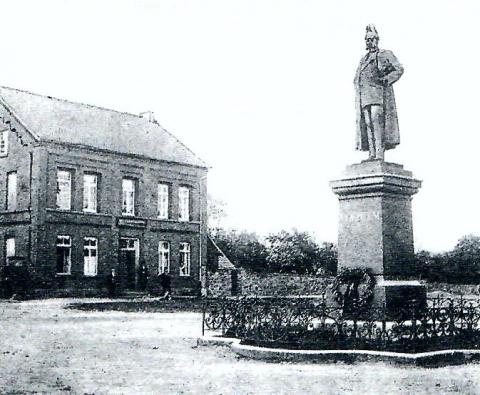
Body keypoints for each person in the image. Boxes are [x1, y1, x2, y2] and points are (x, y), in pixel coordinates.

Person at [354, 24, 404, 160]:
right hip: (365, 96)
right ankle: (372, 153)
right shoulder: (363, 59)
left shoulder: (385, 54)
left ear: (377, 39)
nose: (369, 42)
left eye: (372, 39)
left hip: (378, 94)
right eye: (367, 40)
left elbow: (399, 69)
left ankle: (379, 154)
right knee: (368, 123)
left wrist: (387, 79)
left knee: (377, 121)